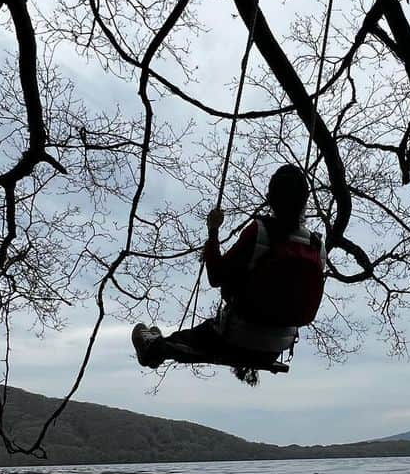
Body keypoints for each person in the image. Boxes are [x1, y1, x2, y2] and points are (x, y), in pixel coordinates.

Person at [131, 164, 326, 385]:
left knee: (191, 341)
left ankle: (152, 347)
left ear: (271, 197)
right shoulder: (316, 246)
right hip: (276, 346)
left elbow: (216, 276)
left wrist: (213, 231)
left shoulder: (260, 233)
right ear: (304, 202)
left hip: (238, 335)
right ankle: (158, 344)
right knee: (196, 338)